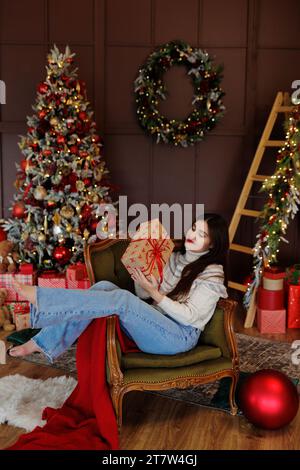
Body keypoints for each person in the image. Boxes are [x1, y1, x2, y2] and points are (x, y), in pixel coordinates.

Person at [6, 213, 229, 362]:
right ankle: (42, 342)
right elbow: (144, 297)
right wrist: (144, 282)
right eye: (193, 228)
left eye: (202, 235)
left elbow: (190, 317)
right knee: (104, 286)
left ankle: (42, 299)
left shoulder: (212, 274)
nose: (192, 235)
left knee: (122, 299)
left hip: (178, 336)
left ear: (213, 243)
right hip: (153, 322)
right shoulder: (173, 256)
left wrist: (155, 294)